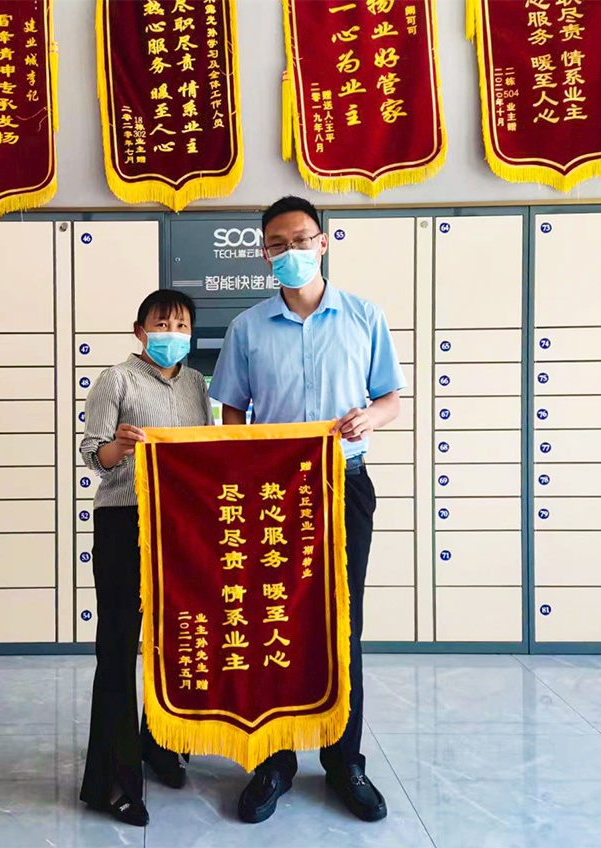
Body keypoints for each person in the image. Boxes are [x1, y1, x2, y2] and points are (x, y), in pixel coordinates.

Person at [208, 196, 405, 825]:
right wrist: (244, 464)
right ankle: (274, 762)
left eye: (300, 239)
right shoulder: (247, 328)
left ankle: (345, 761)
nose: (289, 252)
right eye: (277, 244)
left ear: (322, 243)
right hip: (274, 494)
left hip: (344, 484)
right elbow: (232, 410)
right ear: (264, 255)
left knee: (343, 624)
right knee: (276, 621)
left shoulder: (364, 316)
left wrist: (371, 417)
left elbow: (390, 398)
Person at [79, 289, 213, 827]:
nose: (171, 333)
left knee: (176, 643)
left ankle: (161, 744)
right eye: (162, 324)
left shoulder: (197, 384)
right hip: (125, 521)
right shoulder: (116, 379)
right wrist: (120, 447)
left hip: (181, 526)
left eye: (181, 325)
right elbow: (93, 453)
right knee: (117, 648)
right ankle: (112, 781)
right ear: (140, 331)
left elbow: (208, 450)